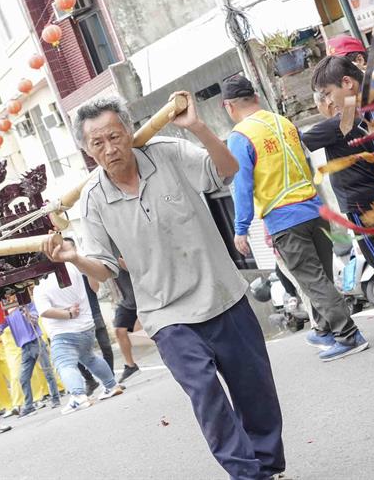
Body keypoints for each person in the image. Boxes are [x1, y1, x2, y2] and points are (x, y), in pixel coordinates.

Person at [45, 94, 285, 478]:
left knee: (255, 391)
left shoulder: (168, 152)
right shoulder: (92, 201)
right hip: (166, 314)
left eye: (115, 136)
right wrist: (74, 258)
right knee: (206, 395)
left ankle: (268, 467)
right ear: (86, 150)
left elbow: (226, 169)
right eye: (98, 143)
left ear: (128, 131)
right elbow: (104, 269)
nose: (110, 148)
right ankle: (248, 475)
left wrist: (198, 127)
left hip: (223, 293)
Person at [223, 75, 369, 361]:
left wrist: (241, 229)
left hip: (285, 219)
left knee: (314, 281)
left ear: (228, 106)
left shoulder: (240, 136)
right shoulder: (283, 123)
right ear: (255, 96)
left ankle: (349, 335)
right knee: (321, 277)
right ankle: (326, 329)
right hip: (314, 209)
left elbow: (242, 185)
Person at [311, 55, 374, 325]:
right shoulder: (367, 108)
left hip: (362, 200)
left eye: (328, 94)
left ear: (347, 82)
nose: (328, 103)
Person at [34, 254, 123, 415]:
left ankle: (78, 396)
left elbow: (44, 311)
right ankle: (111, 385)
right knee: (90, 357)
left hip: (64, 332)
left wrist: (68, 314)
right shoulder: (71, 266)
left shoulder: (40, 284)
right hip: (87, 326)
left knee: (64, 363)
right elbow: (93, 285)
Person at [0, 302, 61, 415]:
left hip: (36, 342)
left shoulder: (29, 304)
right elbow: (1, 327)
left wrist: (25, 311)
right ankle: (29, 406)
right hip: (24, 348)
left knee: (48, 373)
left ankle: (56, 398)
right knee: (23, 378)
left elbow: (34, 319)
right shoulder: (8, 312)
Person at [77, 274, 115, 395]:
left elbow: (95, 288)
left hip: (94, 313)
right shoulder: (62, 275)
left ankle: (111, 380)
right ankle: (89, 380)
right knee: (76, 353)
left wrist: (86, 270)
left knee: (106, 347)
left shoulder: (81, 266)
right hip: (78, 318)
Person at [109, 267, 141, 382]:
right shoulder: (106, 255)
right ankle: (131, 366)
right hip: (127, 301)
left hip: (143, 294)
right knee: (119, 330)